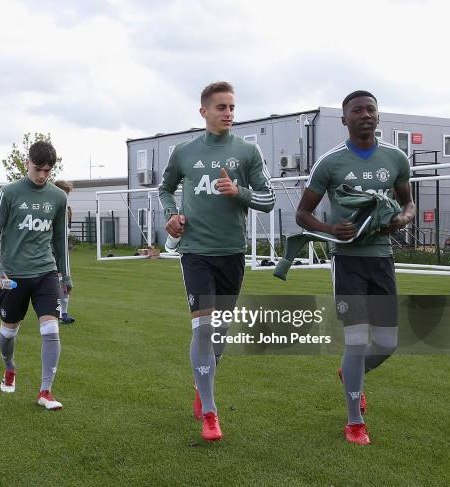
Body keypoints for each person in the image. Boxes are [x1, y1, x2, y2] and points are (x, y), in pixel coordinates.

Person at [295, 90, 414, 445]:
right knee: (357, 341)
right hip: (348, 262)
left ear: (378, 117)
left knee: (389, 343)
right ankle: (354, 421)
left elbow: (408, 203)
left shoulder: (395, 158)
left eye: (370, 110)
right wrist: (331, 229)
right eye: (357, 111)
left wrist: (401, 219)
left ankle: (352, 376)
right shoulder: (330, 163)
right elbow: (303, 214)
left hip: (381, 259)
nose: (365, 115)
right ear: (344, 120)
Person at [158, 81, 276, 441]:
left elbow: (269, 200)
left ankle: (201, 384)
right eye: (222, 107)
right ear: (204, 111)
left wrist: (238, 191)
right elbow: (165, 189)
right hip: (195, 251)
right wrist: (172, 214)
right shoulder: (183, 152)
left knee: (221, 332)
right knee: (204, 329)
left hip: (232, 252)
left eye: (232, 108)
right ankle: (210, 412)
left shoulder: (247, 152)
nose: (229, 114)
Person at [0, 140, 71, 410]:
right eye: (38, 169)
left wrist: (65, 275)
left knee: (51, 328)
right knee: (8, 332)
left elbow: (60, 240)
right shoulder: (9, 193)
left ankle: (45, 391)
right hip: (13, 275)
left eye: (48, 170)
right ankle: (9, 367)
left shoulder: (58, 197)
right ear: (27, 164)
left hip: (46, 272)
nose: (43, 175)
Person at [54, 180, 75, 324]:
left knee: (66, 284)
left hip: (62, 252)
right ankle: (59, 312)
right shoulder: (50, 210)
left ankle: (64, 313)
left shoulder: (67, 210)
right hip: (50, 252)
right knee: (58, 283)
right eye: (64, 193)